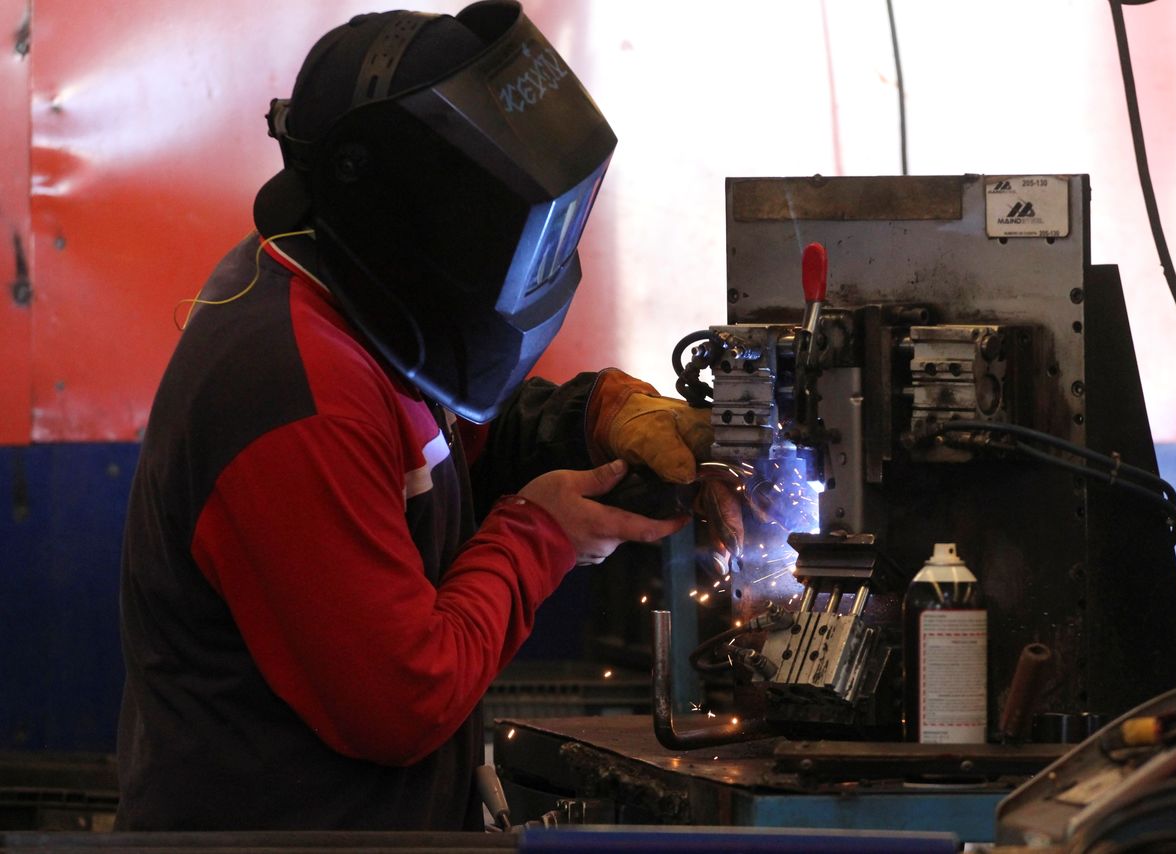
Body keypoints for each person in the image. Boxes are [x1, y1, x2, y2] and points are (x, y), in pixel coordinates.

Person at [116, 1, 736, 831]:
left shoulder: (360, 311)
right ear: (413, 207)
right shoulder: (291, 392)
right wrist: (539, 534)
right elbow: (404, 701)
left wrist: (595, 418)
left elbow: (445, 446)